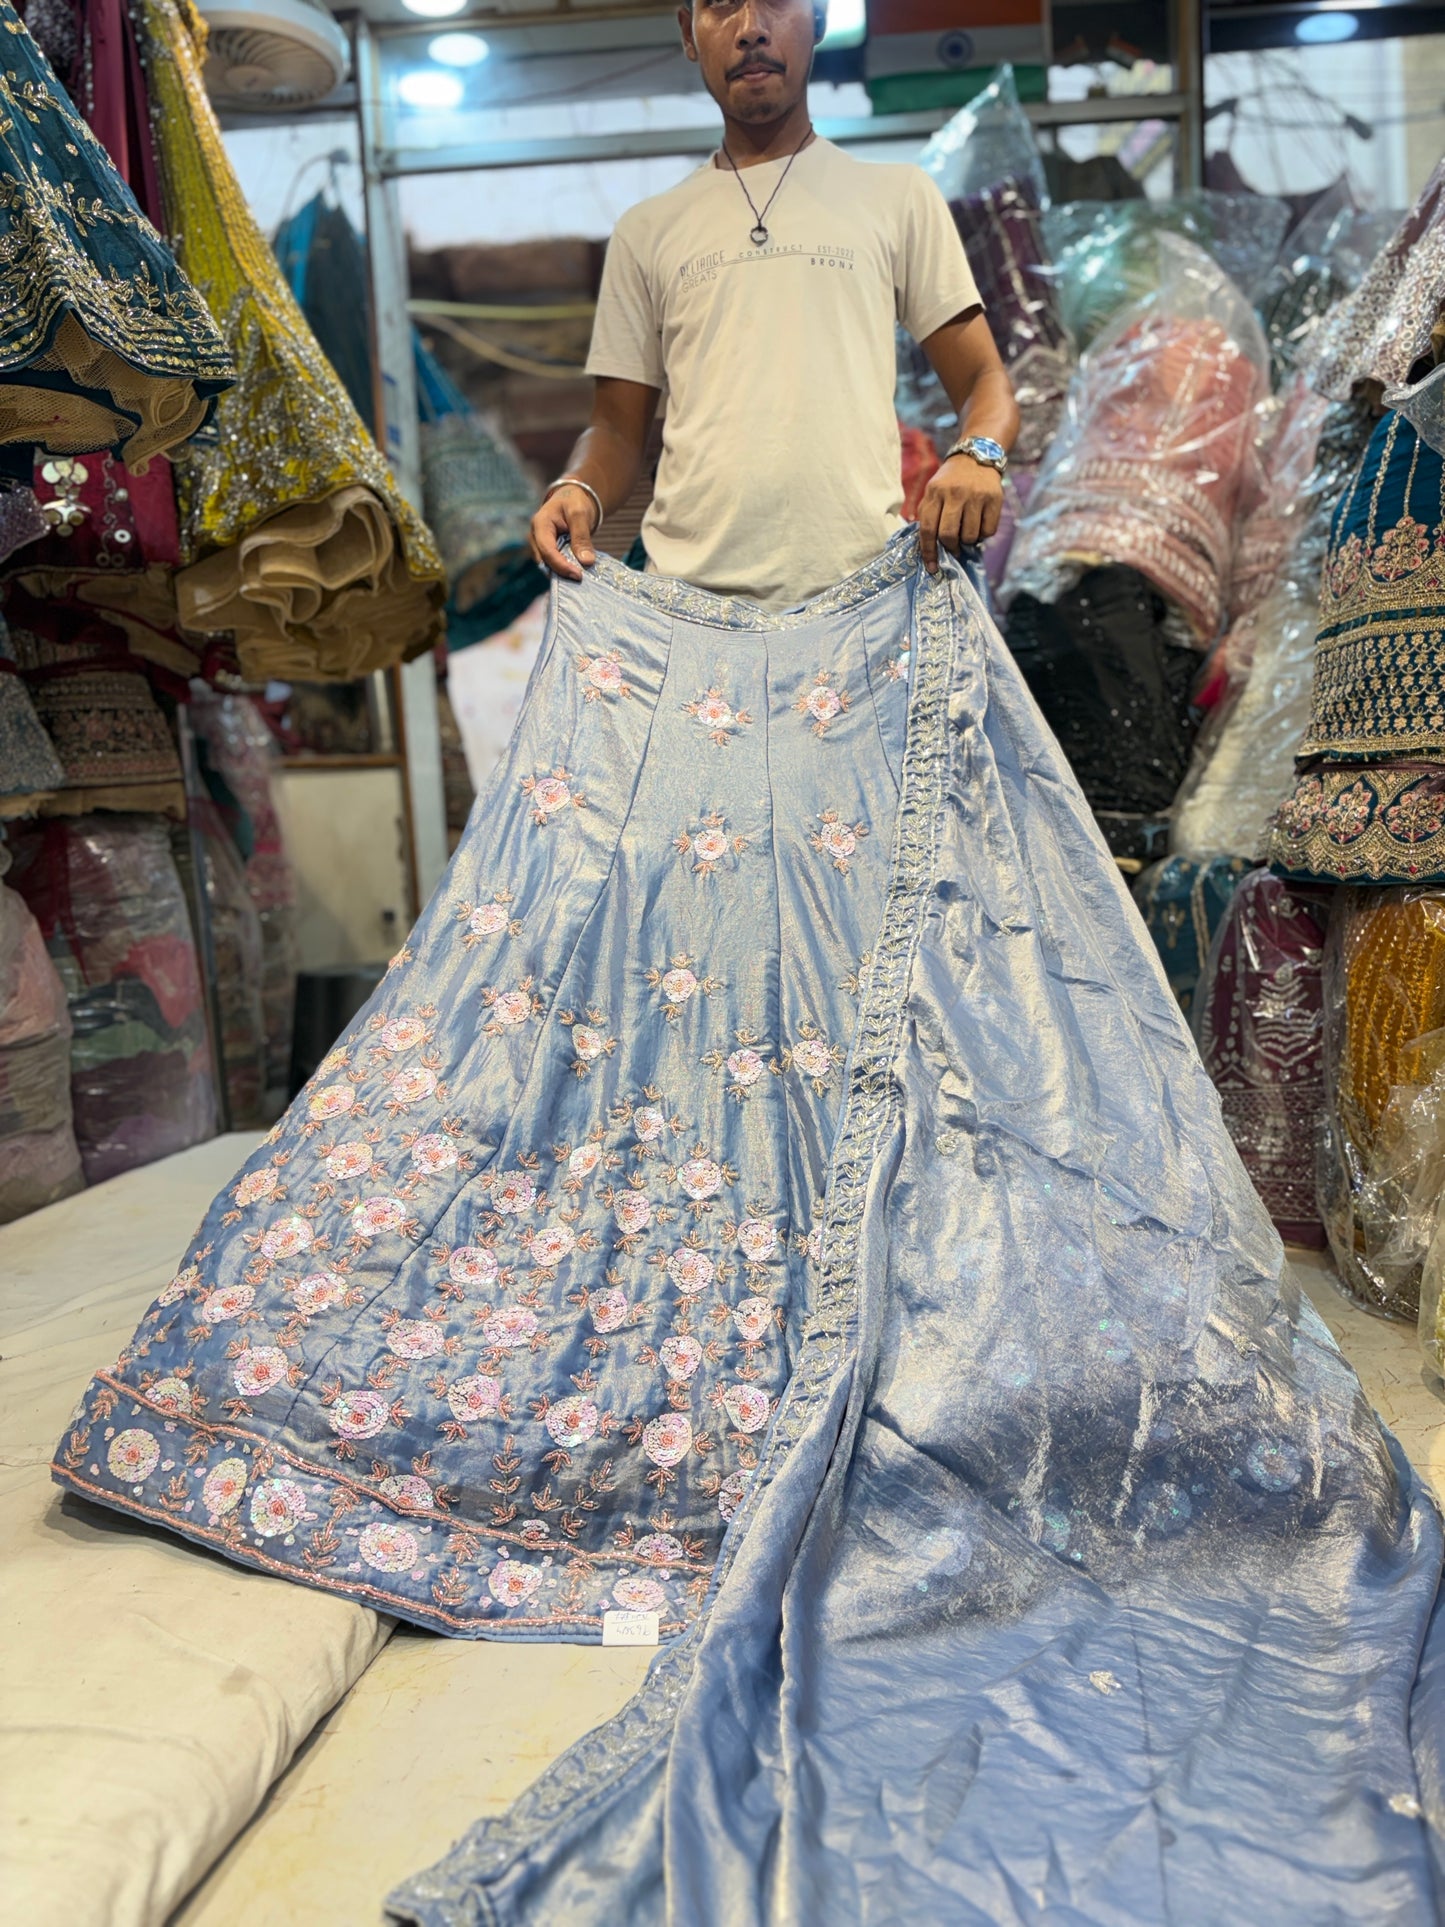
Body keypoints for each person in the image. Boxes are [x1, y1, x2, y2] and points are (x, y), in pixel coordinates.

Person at [529, 0, 1018, 607]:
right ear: (689, 32)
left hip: (861, 603)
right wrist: (578, 487)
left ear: (818, 19)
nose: (751, 28)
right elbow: (616, 430)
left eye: (777, 2)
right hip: (686, 610)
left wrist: (978, 454)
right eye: (722, 6)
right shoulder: (646, 230)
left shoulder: (897, 198)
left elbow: (983, 378)